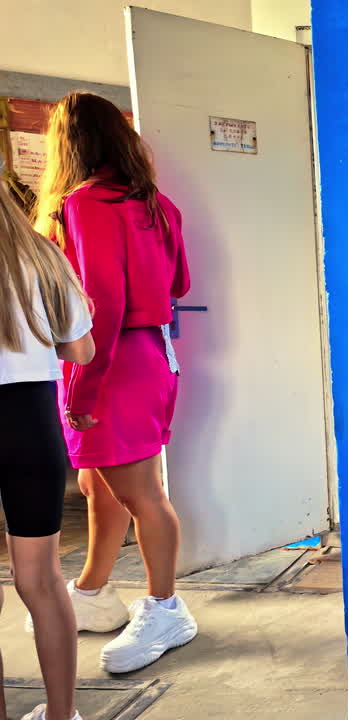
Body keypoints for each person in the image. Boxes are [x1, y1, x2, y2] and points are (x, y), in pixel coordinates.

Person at [30, 91, 196, 674]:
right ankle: (96, 592)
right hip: (149, 353)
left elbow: (100, 298)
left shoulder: (84, 203)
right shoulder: (157, 203)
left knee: (140, 493)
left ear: (68, 144)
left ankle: (166, 607)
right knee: (103, 485)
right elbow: (180, 282)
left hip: (106, 359)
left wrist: (81, 388)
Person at [0, 187, 91, 720]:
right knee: (41, 579)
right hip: (30, 421)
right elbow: (82, 348)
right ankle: (62, 714)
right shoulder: (41, 254)